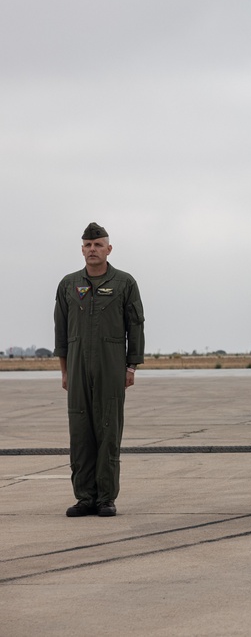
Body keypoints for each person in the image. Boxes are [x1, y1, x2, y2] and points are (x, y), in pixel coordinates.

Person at [54, 222, 145, 518]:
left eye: (98, 244)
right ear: (82, 249)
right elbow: (61, 331)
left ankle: (106, 498)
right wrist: (65, 372)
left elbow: (136, 326)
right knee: (80, 433)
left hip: (111, 367)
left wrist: (131, 367)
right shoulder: (69, 284)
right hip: (78, 367)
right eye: (88, 245)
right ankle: (84, 498)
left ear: (108, 249)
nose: (93, 249)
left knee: (108, 431)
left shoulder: (124, 283)